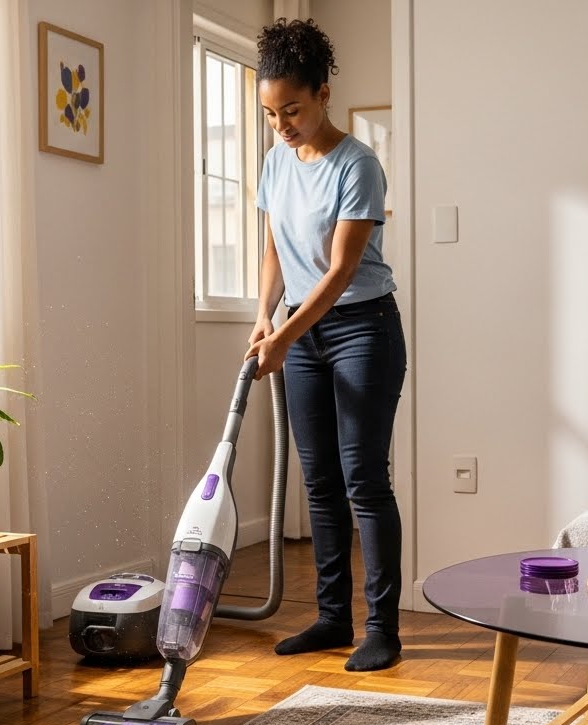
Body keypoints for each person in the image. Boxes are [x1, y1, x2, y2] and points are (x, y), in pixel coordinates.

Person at [245, 17, 406, 672]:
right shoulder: (277, 160)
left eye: (292, 109)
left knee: (363, 477)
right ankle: (332, 619)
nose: (281, 124)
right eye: (269, 112)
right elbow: (274, 247)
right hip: (298, 329)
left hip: (361, 327)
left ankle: (383, 629)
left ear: (322, 94)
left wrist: (284, 334)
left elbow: (340, 270)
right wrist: (263, 318)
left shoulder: (357, 164)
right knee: (319, 482)